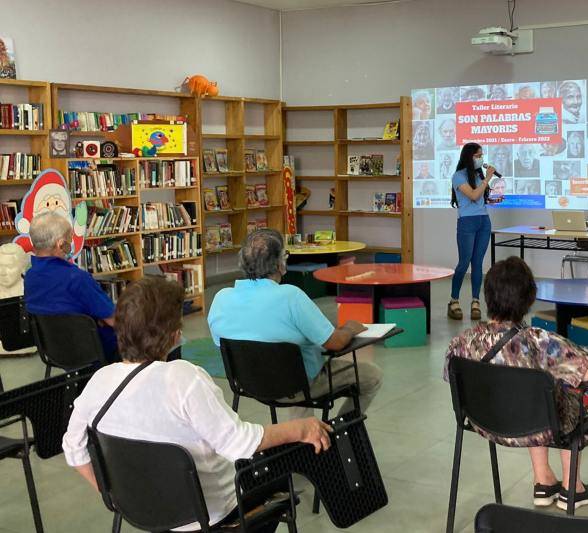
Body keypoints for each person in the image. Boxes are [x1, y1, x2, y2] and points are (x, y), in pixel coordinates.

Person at [62, 277, 332, 533]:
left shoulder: (99, 381)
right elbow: (239, 444)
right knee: (276, 473)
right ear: (174, 335)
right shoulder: (184, 378)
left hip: (144, 512)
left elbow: (73, 449)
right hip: (213, 515)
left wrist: (116, 496)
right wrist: (301, 429)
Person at [444, 257, 588, 510]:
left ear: (488, 296)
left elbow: (449, 374)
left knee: (531, 394)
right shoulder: (540, 341)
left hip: (483, 422)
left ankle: (543, 481)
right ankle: (572, 488)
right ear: (529, 299)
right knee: (564, 397)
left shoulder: (461, 342)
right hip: (537, 423)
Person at [208, 229, 382, 417]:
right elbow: (334, 342)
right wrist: (349, 328)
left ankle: (306, 437)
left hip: (248, 384)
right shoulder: (291, 296)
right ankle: (342, 430)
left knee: (294, 362)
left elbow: (225, 344)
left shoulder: (221, 299)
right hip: (297, 386)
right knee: (371, 375)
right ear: (279, 264)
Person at [23, 212, 119, 362]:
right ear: (61, 244)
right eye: (69, 239)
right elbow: (113, 319)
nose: (71, 243)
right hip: (98, 351)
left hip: (55, 353)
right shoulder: (77, 278)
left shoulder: (30, 277)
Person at [448, 142, 495, 321]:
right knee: (464, 262)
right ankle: (454, 300)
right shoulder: (458, 176)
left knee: (478, 263)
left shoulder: (478, 175)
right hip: (467, 222)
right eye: (477, 156)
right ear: (468, 156)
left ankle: (475, 301)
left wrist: (486, 183)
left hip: (484, 221)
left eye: (481, 155)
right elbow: (474, 196)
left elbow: (481, 198)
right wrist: (487, 179)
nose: (480, 159)